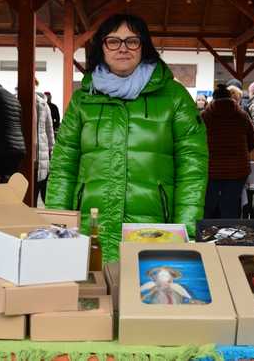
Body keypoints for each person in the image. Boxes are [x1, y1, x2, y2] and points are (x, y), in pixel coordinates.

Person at [45, 13, 208, 262]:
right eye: (113, 41)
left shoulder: (175, 98)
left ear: (144, 46)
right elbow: (63, 168)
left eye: (132, 41)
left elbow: (192, 171)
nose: (123, 48)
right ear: (101, 47)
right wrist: (56, 226)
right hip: (91, 228)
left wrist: (186, 232)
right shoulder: (83, 100)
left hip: (154, 230)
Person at [202, 84, 254, 219]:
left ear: (213, 99)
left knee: (208, 207)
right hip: (237, 171)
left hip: (211, 170)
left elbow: (196, 143)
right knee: (231, 207)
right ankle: (231, 236)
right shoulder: (242, 115)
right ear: (231, 98)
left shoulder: (205, 116)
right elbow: (253, 141)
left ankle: (207, 235)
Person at [35, 85, 54, 203]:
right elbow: (49, 130)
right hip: (40, 153)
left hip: (41, 155)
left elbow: (49, 129)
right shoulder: (43, 104)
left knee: (39, 190)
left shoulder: (43, 104)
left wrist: (52, 150)